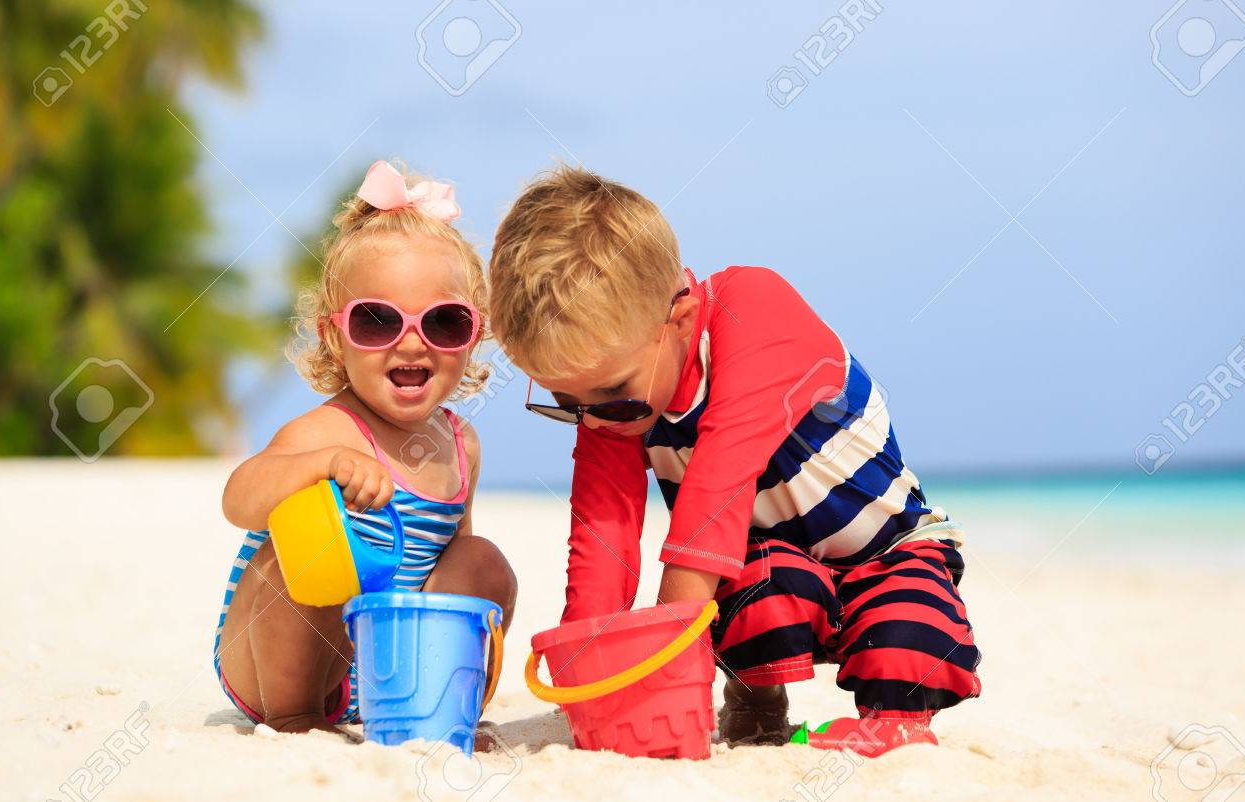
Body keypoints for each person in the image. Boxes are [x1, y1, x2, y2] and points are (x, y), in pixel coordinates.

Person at [487, 165, 979, 756]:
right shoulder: (614, 405)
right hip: (775, 561)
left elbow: (714, 492)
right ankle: (756, 705)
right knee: (753, 591)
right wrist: (591, 675)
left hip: (889, 549)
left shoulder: (753, 309)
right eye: (568, 404)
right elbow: (603, 535)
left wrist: (659, 671)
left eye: (611, 395)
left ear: (680, 321)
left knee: (904, 635)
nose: (594, 421)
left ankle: (898, 720)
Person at [212, 161, 516, 734]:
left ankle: (442, 704)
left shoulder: (460, 445)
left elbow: (454, 563)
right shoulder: (327, 432)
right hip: (275, 663)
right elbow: (237, 500)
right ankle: (298, 717)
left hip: (386, 669)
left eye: (444, 323)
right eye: (376, 321)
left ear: (474, 335)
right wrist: (323, 467)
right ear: (334, 336)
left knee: (483, 562)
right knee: (310, 557)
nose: (411, 342)